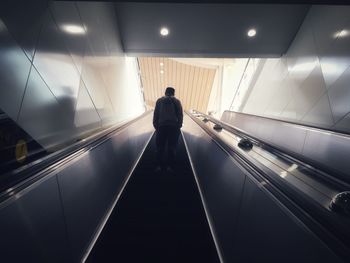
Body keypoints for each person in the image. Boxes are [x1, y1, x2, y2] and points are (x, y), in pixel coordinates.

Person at [153, 87, 183, 172]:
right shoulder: (177, 101)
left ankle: (158, 166)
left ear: (165, 92)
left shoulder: (159, 101)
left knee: (159, 148)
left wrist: (156, 127)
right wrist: (178, 126)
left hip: (161, 127)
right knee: (172, 148)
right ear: (173, 93)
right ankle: (170, 167)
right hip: (173, 128)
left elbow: (156, 114)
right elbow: (180, 115)